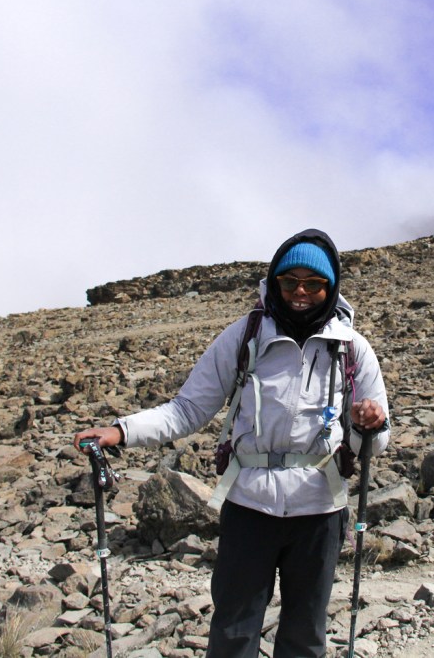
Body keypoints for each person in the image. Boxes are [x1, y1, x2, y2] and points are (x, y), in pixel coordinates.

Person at [73, 228, 390, 658]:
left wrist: (368, 426)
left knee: (306, 634)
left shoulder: (352, 350)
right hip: (249, 506)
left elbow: (375, 442)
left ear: (330, 288)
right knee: (234, 632)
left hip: (319, 508)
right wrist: (121, 431)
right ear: (274, 282)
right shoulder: (244, 337)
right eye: (289, 281)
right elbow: (187, 409)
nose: (300, 292)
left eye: (314, 284)